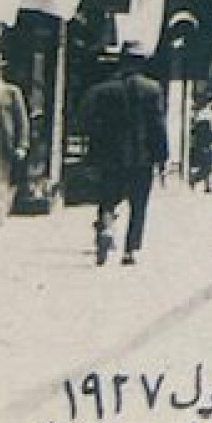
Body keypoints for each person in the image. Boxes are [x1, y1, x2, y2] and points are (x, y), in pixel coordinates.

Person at [80, 48, 168, 266]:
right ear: (142, 63)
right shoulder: (152, 89)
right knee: (138, 205)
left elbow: (86, 121)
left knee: (108, 197)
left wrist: (96, 146)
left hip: (110, 156)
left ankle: (106, 226)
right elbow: (158, 126)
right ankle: (130, 250)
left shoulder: (102, 90)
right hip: (142, 157)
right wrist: (162, 156)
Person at [0, 55, 30, 223]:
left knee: (3, 176)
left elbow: (22, 120)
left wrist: (22, 144)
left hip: (4, 140)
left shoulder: (11, 91)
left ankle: (0, 211)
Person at [189, 99, 212, 191]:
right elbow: (209, 133)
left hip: (203, 145)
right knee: (208, 167)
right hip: (204, 145)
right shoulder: (208, 119)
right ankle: (194, 179)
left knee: (207, 166)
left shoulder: (205, 116)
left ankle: (208, 186)